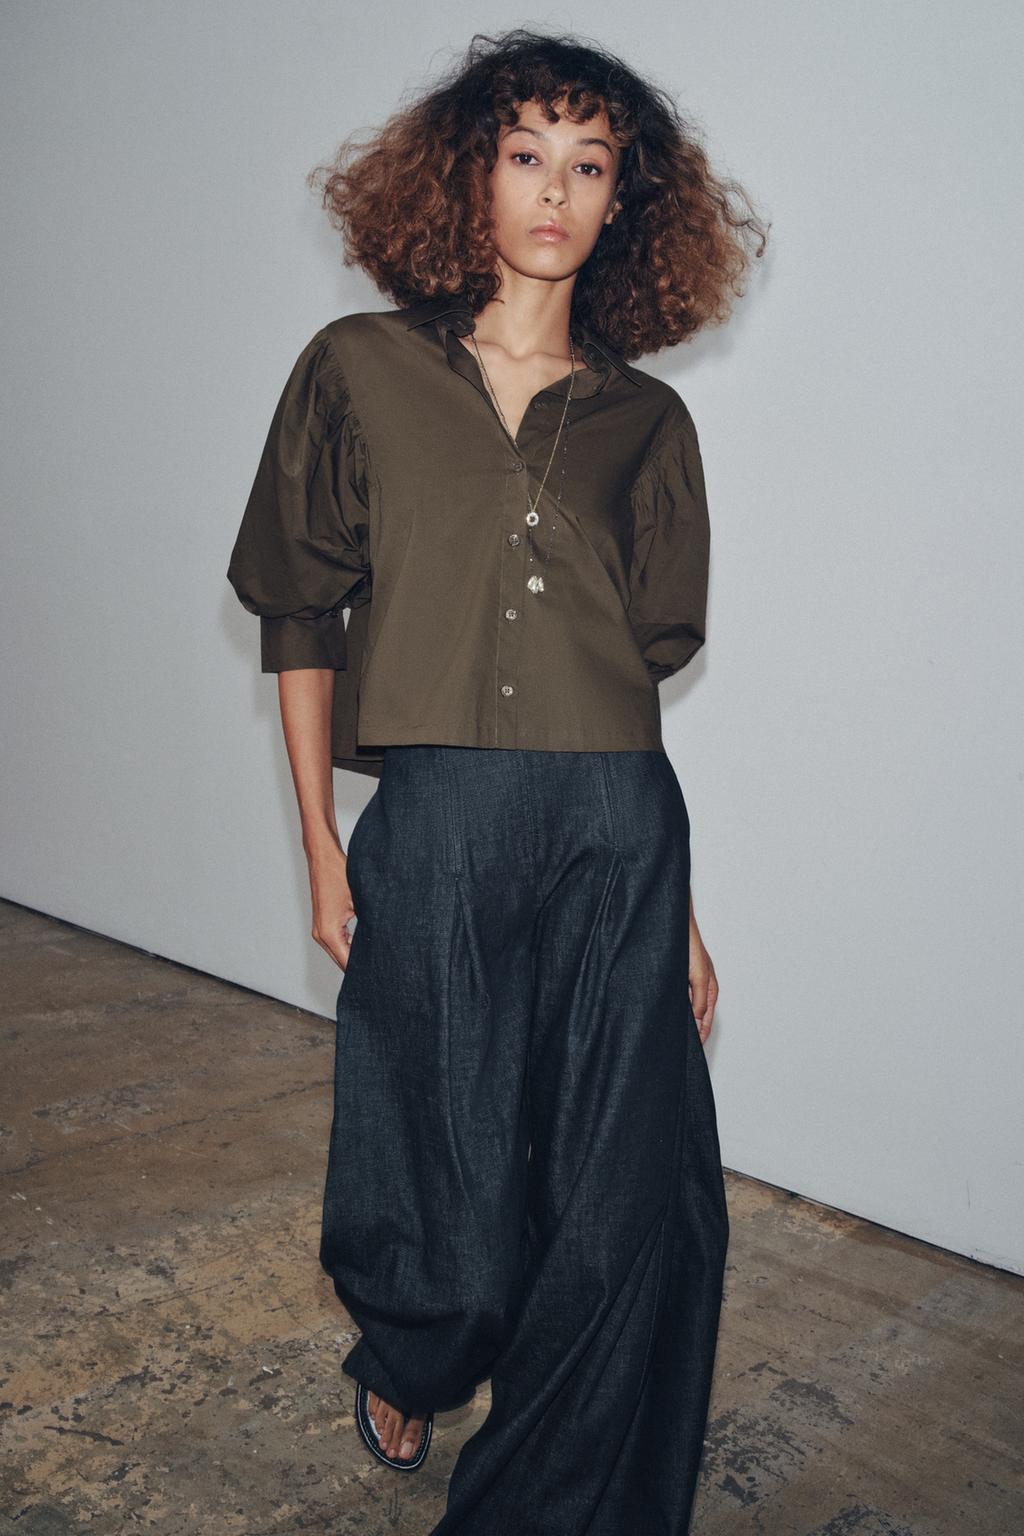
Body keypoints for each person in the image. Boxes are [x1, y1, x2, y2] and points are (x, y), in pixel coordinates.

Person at [227, 27, 768, 1535]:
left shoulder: (648, 423)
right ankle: (416, 1347)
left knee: (614, 1207)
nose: (555, 191)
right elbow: (297, 611)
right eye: (528, 155)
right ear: (472, 175)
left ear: (623, 204)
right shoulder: (359, 370)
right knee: (441, 1187)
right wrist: (322, 848)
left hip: (616, 830)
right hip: (444, 823)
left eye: (590, 166)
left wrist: (680, 914)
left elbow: (635, 678)